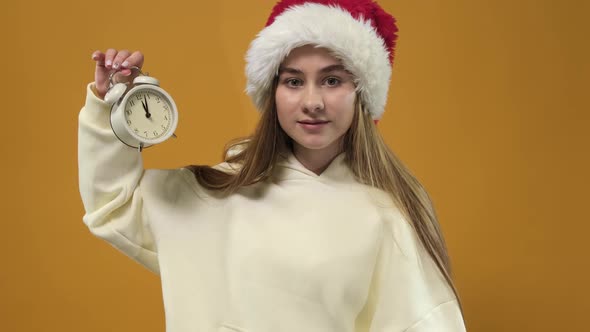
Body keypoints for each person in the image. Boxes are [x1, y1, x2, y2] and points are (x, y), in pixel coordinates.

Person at [78, 0, 467, 331]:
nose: (312, 101)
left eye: (332, 81)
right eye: (293, 82)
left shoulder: (390, 209)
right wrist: (110, 109)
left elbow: (427, 322)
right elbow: (113, 203)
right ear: (273, 92)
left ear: (361, 94)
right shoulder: (216, 194)